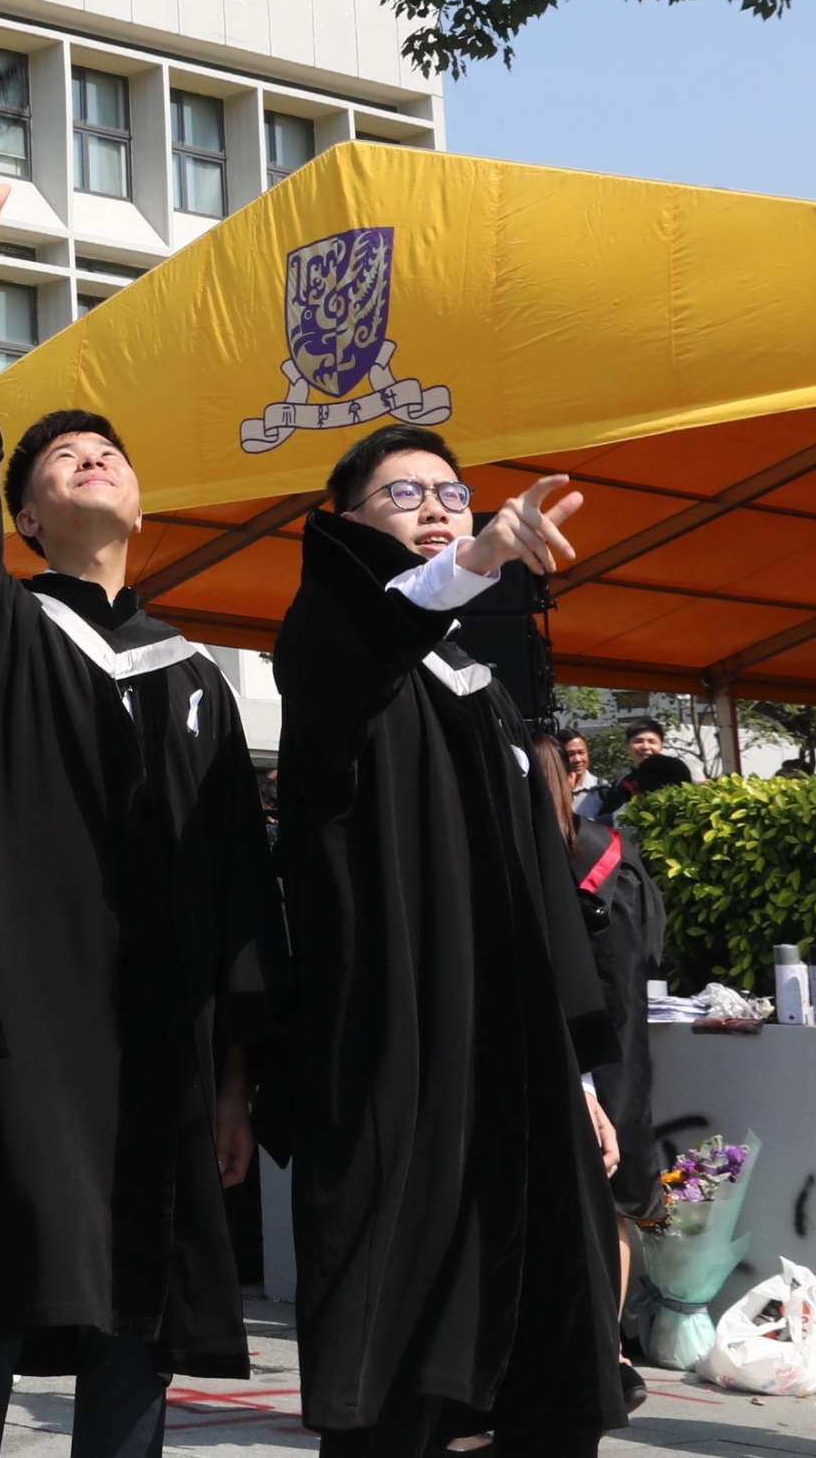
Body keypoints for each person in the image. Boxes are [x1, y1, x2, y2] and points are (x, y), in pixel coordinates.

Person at [0, 145, 286, 1458]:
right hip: (18, 1034)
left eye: (108, 451)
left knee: (138, 1313)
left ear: (141, 507)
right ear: (27, 520)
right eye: (62, 458)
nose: (91, 460)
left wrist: (228, 1078)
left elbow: (231, 883)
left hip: (158, 1050)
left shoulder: (198, 679)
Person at [270, 426, 623, 1458]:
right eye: (402, 494)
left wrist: (582, 1073)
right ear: (346, 526)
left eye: (452, 493)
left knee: (542, 1342)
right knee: (412, 1347)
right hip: (406, 1048)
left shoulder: (484, 684)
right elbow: (362, 640)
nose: (436, 504)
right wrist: (470, 560)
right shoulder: (332, 650)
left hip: (518, 1060)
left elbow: (543, 887)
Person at [537, 722, 659, 1413]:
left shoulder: (552, 858)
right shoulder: (609, 852)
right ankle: (608, 1344)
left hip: (572, 1049)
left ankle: (583, 1345)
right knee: (611, 1200)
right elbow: (644, 955)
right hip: (620, 1045)